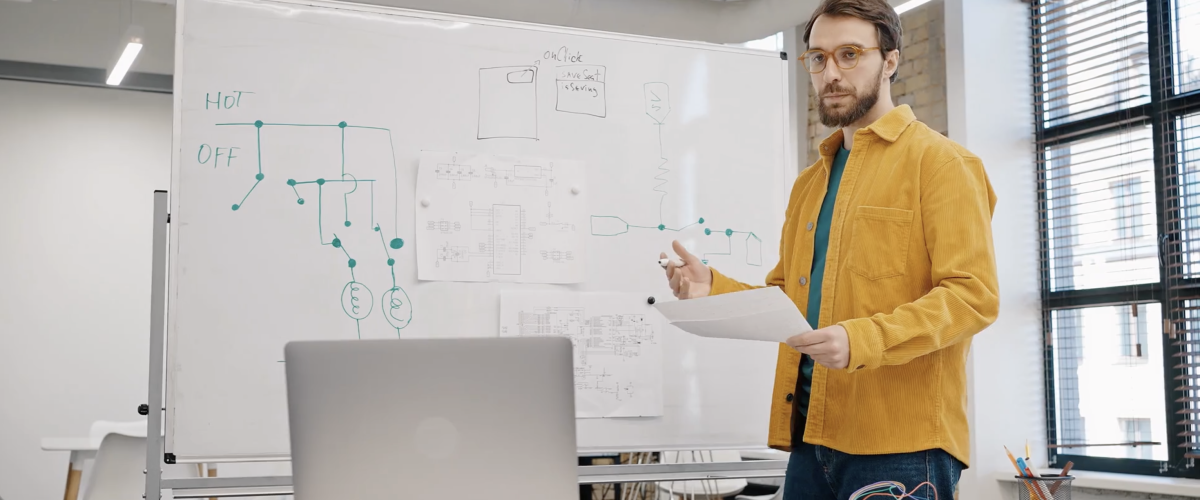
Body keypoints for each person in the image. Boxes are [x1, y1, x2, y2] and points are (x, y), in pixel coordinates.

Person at [660, 0, 999, 498]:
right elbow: (788, 299)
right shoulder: (809, 184)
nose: (830, 73)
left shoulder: (943, 164)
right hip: (809, 436)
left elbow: (972, 297)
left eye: (848, 54)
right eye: (817, 59)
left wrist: (862, 339)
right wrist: (715, 287)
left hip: (901, 444)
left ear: (889, 61)